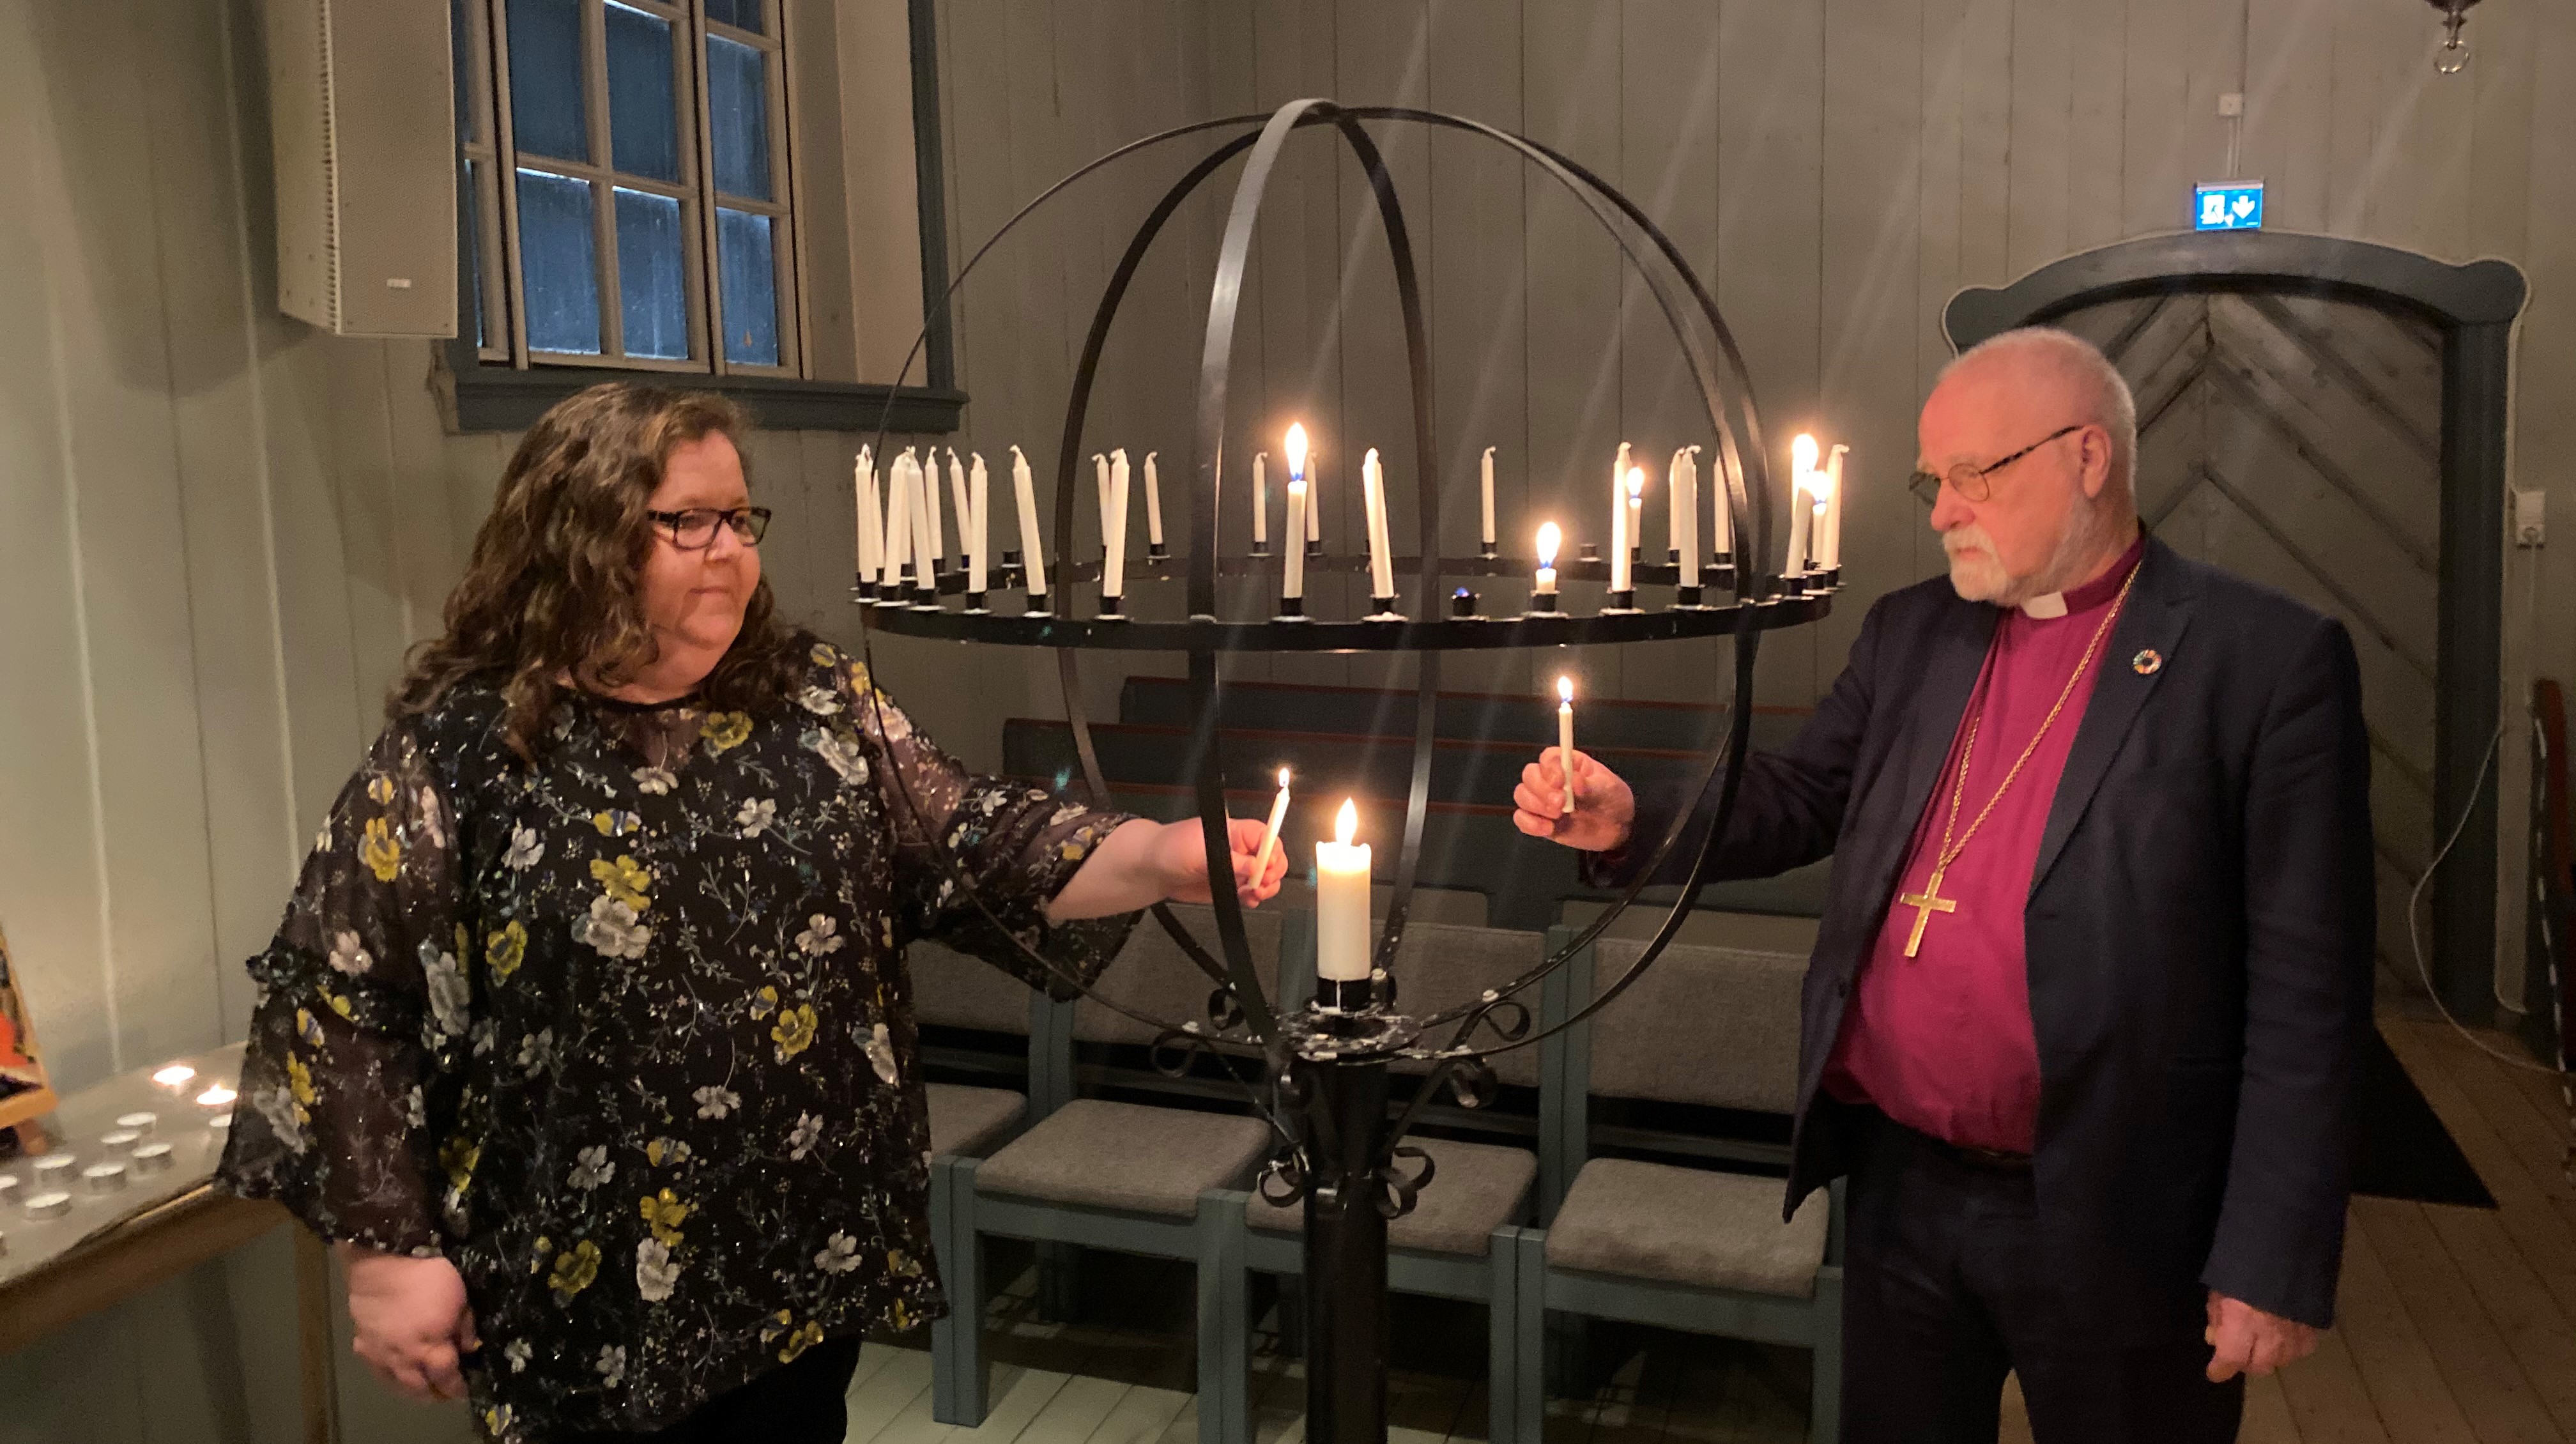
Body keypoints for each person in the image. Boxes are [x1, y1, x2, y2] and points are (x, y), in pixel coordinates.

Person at [217, 383, 1285, 1444]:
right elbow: (342, 1000)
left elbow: (974, 837)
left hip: (799, 1256)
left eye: (738, 519)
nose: (726, 546)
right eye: (686, 521)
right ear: (579, 536)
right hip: (586, 1289)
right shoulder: (468, 751)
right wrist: (388, 1253)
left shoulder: (813, 702)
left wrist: (1156, 854)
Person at [1514, 327, 2374, 1443]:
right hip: (1901, 1187)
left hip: (2121, 1203)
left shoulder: (2261, 660)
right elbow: (1801, 796)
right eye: (1935, 480)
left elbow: (2310, 991)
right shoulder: (1916, 631)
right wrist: (1636, 823)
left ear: (2088, 458)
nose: (1941, 510)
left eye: (1975, 475)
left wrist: (2272, 1255)